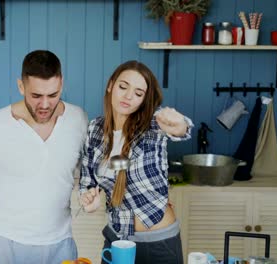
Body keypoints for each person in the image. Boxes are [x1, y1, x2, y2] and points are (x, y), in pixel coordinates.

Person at [0, 50, 88, 264]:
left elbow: (90, 171)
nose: (46, 104)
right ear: (21, 86)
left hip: (61, 244)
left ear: (62, 84)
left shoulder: (78, 119)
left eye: (53, 95)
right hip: (6, 245)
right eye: (36, 96)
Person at [79, 60, 193, 264]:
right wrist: (88, 199)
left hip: (159, 243)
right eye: (123, 87)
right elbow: (88, 181)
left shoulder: (153, 127)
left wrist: (180, 125)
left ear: (143, 100)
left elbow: (181, 131)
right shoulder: (95, 129)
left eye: (138, 93)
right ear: (110, 85)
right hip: (117, 238)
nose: (128, 96)